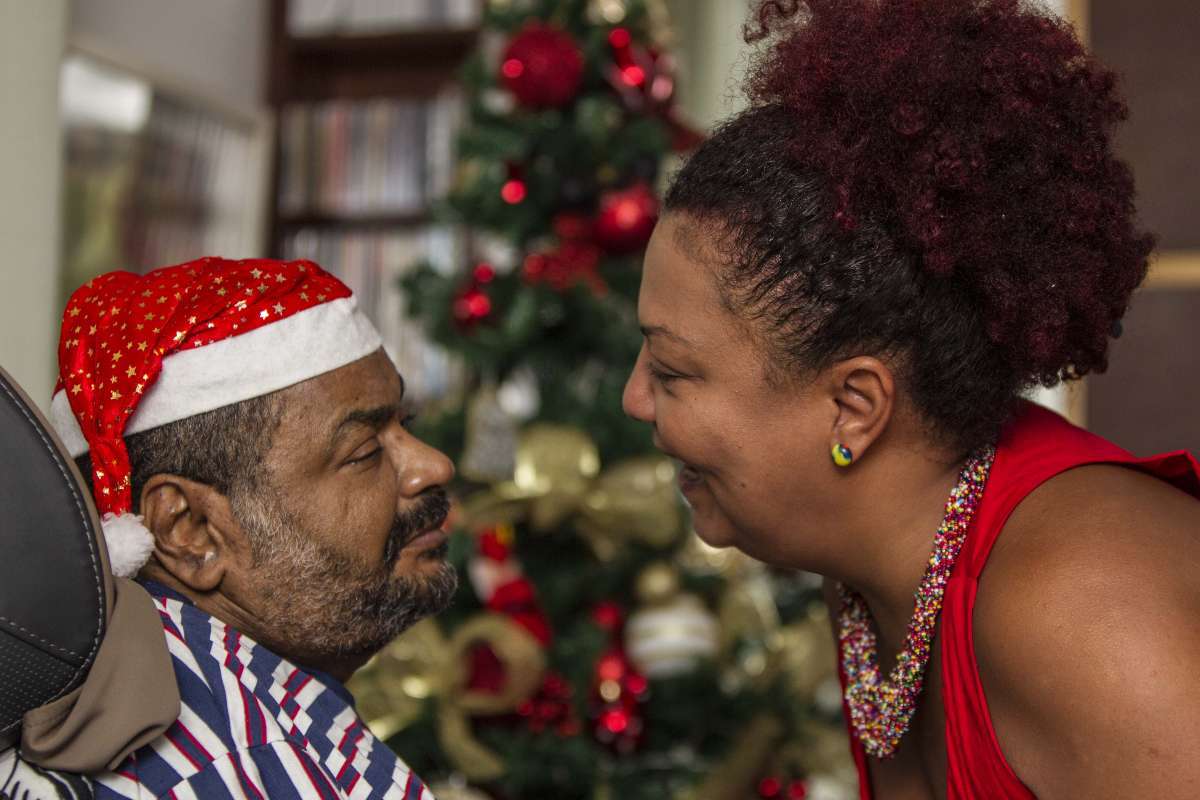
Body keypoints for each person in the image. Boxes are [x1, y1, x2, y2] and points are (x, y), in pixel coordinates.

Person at [620, 1, 1200, 797]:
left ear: (855, 407)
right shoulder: (873, 564)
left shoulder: (1080, 614)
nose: (634, 399)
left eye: (674, 371)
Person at [50, 257, 456, 799]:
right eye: (363, 452)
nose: (433, 466)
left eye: (405, 424)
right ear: (190, 530)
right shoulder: (235, 770)